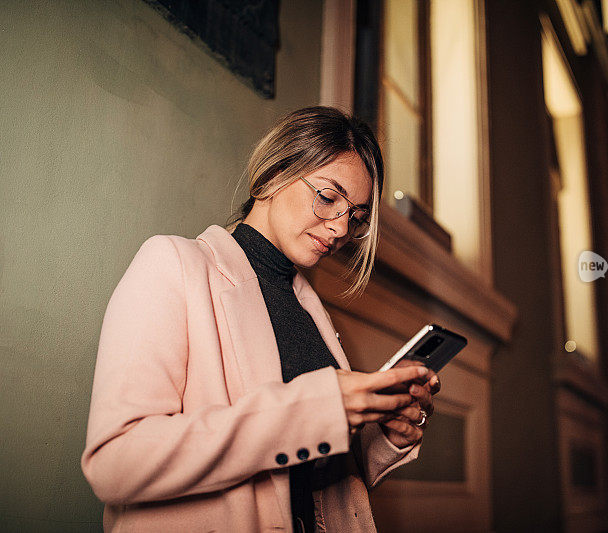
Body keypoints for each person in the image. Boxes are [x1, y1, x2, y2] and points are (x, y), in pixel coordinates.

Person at [81, 106, 441, 532]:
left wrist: (384, 436)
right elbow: (116, 461)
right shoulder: (173, 263)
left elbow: (312, 476)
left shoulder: (311, 311)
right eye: (328, 198)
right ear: (273, 175)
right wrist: (315, 407)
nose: (341, 228)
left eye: (357, 217)